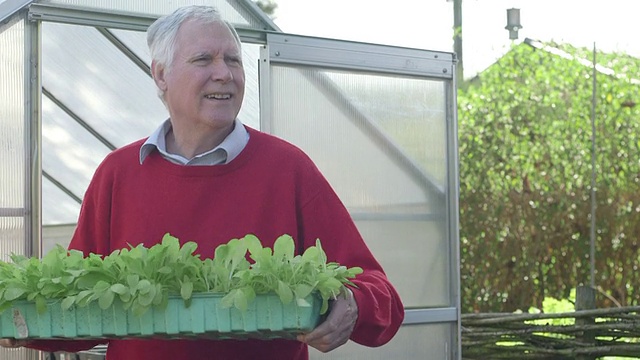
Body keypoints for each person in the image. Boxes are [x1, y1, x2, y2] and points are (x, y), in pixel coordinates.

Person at [0, 5, 404, 359]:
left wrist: (353, 303)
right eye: (203, 60)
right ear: (160, 74)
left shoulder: (288, 169)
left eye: (233, 60)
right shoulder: (117, 173)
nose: (224, 74)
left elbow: (383, 296)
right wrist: (20, 318)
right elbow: (79, 307)